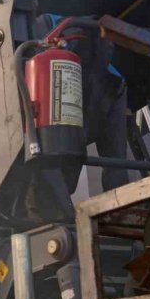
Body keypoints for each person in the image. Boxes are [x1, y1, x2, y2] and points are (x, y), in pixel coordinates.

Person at [34, 13, 130, 191]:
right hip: (99, 85)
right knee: (114, 164)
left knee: (71, 156)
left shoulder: (45, 25)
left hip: (101, 88)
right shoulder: (49, 26)